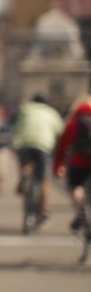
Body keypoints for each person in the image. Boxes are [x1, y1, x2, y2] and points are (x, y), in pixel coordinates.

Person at [10, 93, 65, 224]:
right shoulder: (51, 112)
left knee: (27, 164)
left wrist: (14, 143)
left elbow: (15, 127)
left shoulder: (25, 109)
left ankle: (24, 176)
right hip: (43, 145)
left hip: (24, 144)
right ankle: (44, 209)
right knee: (45, 178)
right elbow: (61, 132)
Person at [53, 94, 91, 231]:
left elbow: (63, 145)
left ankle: (80, 211)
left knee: (75, 187)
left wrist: (58, 165)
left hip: (78, 161)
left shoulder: (73, 121)